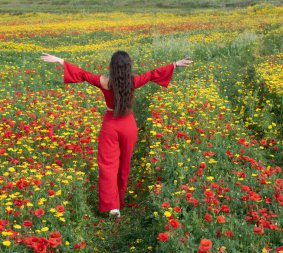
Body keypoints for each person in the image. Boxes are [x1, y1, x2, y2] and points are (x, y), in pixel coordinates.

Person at [41, 51, 192, 217]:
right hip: (129, 126)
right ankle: (119, 197)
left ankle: (113, 207)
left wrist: (60, 60)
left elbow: (83, 74)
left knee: (107, 165)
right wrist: (175, 64)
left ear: (112, 66)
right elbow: (153, 74)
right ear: (129, 67)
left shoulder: (104, 81)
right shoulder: (133, 81)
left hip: (110, 126)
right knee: (124, 163)